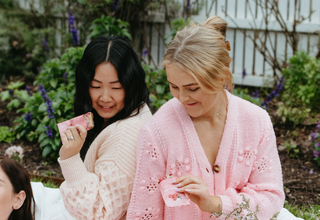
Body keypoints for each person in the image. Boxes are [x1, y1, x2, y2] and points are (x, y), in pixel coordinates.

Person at [126, 16, 287, 220]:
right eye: (174, 86)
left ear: (221, 77)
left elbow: (271, 198)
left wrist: (216, 204)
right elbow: (143, 214)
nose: (182, 98)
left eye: (192, 88)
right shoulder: (157, 131)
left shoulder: (257, 122)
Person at [57, 36, 152, 220]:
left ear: (131, 84)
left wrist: (70, 158)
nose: (105, 97)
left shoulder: (122, 138)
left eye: (116, 88)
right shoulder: (137, 110)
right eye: (96, 86)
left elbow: (99, 215)